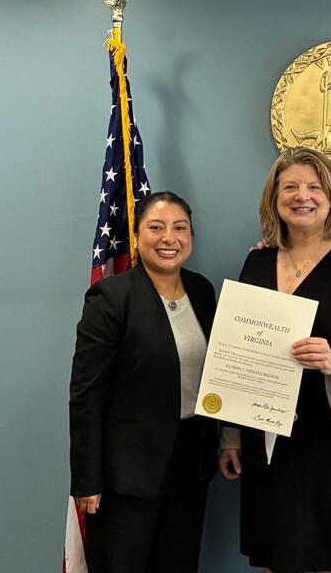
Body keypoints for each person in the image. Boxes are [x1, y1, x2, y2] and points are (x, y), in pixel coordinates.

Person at [219, 147, 331, 573]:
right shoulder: (257, 259)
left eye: (315, 187)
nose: (303, 196)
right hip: (266, 432)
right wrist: (229, 435)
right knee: (274, 553)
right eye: (291, 187)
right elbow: (235, 349)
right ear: (275, 198)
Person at [69, 191, 218, 573]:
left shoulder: (203, 291)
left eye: (180, 228)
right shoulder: (111, 297)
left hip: (190, 467)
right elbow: (86, 394)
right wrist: (86, 479)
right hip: (126, 476)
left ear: (191, 237)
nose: (169, 238)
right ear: (136, 237)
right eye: (156, 227)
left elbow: (221, 370)